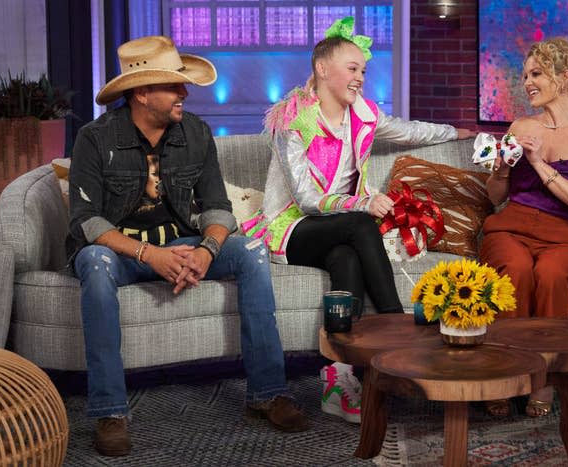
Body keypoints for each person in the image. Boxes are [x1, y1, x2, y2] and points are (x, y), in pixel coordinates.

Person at [67, 36, 308, 457]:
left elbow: (217, 207)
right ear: (142, 93)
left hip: (179, 244)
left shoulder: (195, 133)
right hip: (121, 254)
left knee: (250, 251)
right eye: (173, 85)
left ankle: (268, 393)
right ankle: (110, 412)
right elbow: (87, 222)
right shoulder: (95, 138)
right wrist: (149, 255)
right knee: (94, 262)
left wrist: (205, 251)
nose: (185, 92)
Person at [243, 17, 474, 423]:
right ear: (322, 69)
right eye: (353, 69)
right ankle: (400, 330)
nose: (360, 79)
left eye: (363, 71)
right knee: (361, 224)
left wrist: (456, 131)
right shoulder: (291, 122)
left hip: (336, 230)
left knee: (347, 260)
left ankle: (340, 378)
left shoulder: (362, 115)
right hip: (291, 227)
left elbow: (409, 131)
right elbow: (307, 200)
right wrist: (363, 202)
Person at [479, 37, 568, 417]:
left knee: (551, 274)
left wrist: (538, 162)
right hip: (511, 227)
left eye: (536, 74)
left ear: (563, 77)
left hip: (563, 234)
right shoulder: (520, 125)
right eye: (525, 76)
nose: (527, 83)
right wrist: (502, 169)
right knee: (515, 269)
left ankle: (545, 378)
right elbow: (493, 197)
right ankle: (502, 374)